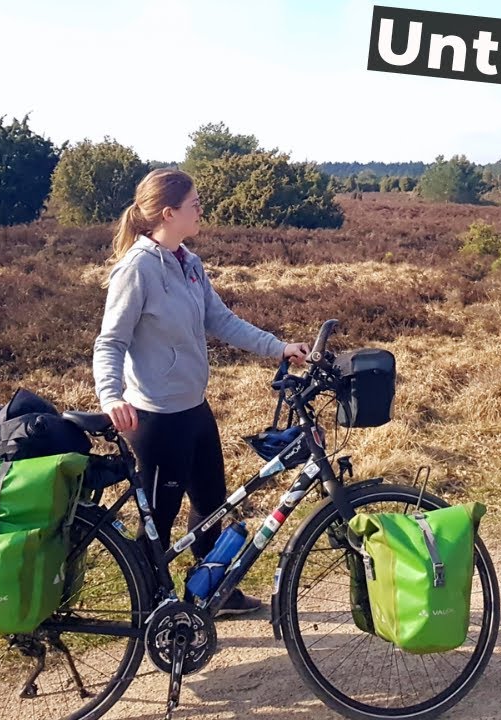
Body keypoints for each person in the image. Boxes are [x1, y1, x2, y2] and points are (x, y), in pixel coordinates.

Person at [92, 168, 309, 616]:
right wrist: (112, 396)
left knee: (211, 509)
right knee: (159, 522)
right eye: (194, 204)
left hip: (194, 410)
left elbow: (223, 320)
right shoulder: (136, 270)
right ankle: (152, 612)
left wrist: (280, 347)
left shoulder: (188, 262)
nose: (201, 210)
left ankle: (213, 592)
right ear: (169, 213)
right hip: (155, 419)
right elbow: (110, 342)